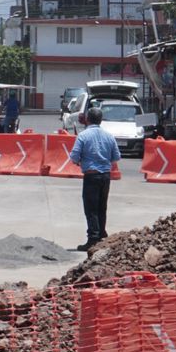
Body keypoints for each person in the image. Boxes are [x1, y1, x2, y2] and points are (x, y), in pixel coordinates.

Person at [69, 105, 122, 252]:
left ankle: (93, 238)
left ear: (87, 119)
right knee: (101, 207)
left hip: (91, 175)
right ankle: (101, 236)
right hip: (105, 176)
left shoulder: (83, 136)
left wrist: (80, 161)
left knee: (91, 209)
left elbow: (74, 156)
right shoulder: (109, 136)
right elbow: (116, 157)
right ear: (101, 120)